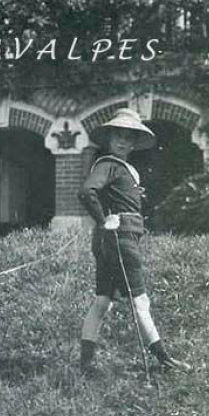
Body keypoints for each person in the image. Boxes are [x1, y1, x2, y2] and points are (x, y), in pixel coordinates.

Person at [77, 108, 191, 374]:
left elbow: (110, 195)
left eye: (130, 137)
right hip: (120, 239)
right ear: (108, 138)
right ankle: (164, 359)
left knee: (103, 301)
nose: (124, 141)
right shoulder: (109, 164)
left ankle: (85, 364)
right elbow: (86, 191)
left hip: (110, 240)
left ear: (135, 142)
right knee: (141, 301)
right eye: (119, 135)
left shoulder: (122, 169)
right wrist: (103, 219)